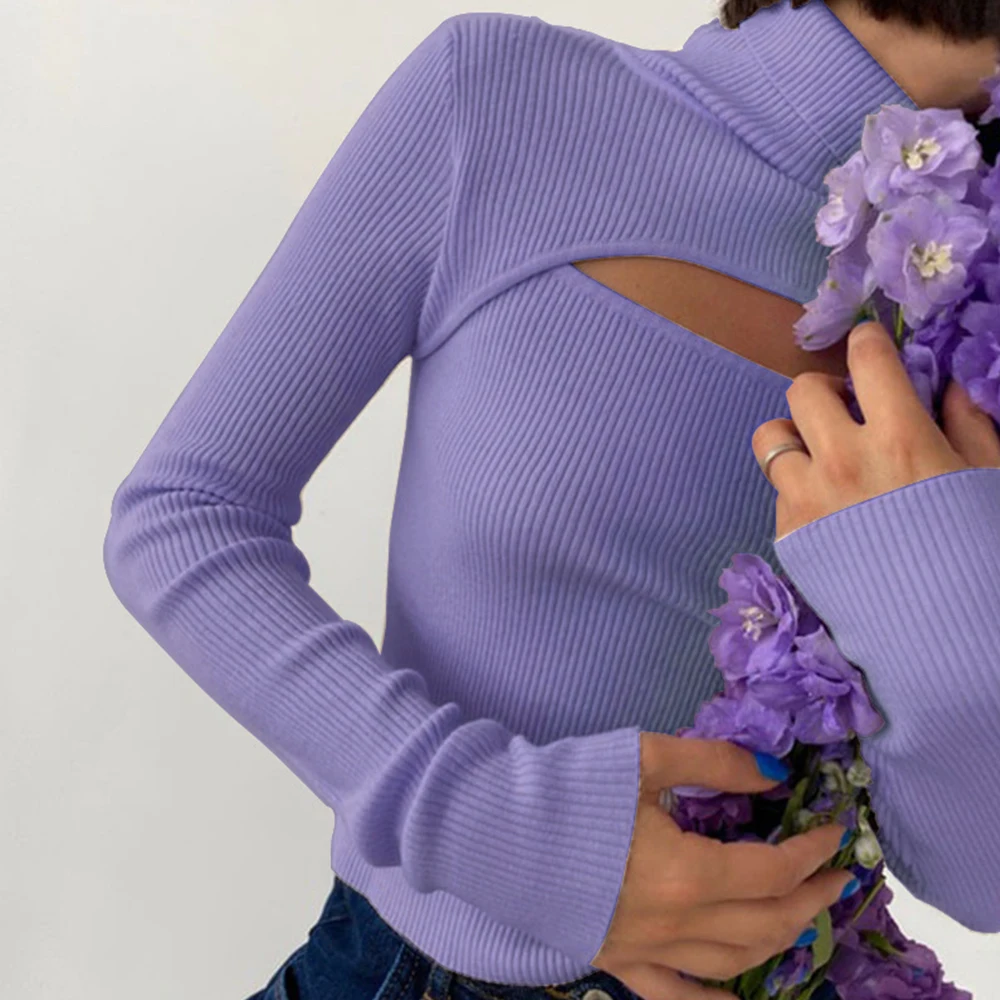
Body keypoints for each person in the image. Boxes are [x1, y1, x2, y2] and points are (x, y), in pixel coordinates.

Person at [101, 1, 1000, 998]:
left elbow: (982, 878)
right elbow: (184, 516)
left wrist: (948, 602)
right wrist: (499, 827)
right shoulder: (504, 100)